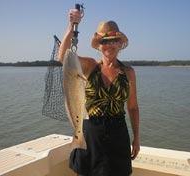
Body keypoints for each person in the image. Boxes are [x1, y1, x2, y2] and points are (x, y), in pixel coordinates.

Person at [58, 8, 140, 176]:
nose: (109, 45)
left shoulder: (129, 73)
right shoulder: (89, 66)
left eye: (114, 40)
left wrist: (137, 138)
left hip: (118, 134)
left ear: (119, 44)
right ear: (99, 46)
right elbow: (64, 58)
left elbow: (132, 107)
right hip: (89, 134)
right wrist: (72, 25)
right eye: (104, 41)